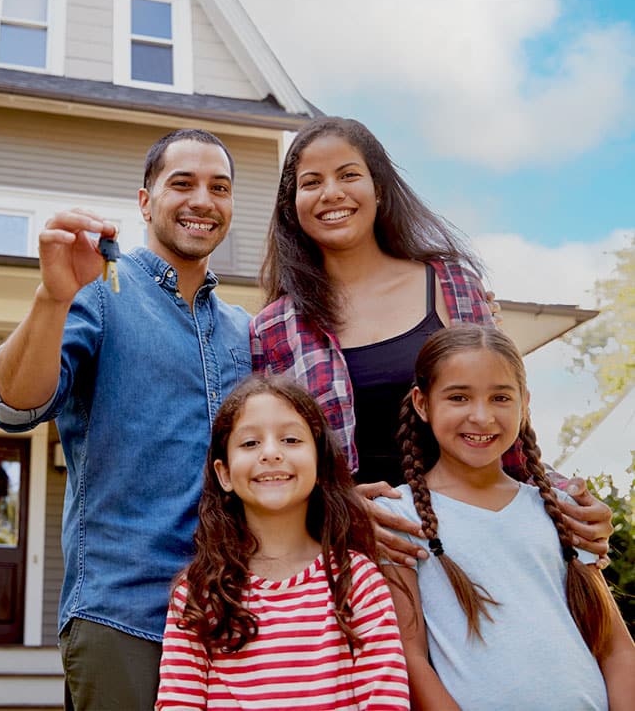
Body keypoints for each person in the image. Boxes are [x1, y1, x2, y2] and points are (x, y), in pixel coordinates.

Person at [250, 115, 613, 565]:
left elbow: (505, 425)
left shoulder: (454, 284)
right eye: (311, 182)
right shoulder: (274, 328)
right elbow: (271, 462)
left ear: (378, 189)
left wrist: (567, 502)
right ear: (292, 204)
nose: (331, 193)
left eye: (348, 175)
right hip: (355, 559)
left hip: (473, 544)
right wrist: (337, 510)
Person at [0, 129, 252, 710]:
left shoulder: (242, 329)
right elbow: (15, 405)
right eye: (181, 183)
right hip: (125, 616)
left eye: (220, 187)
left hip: (235, 617)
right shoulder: (100, 293)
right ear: (145, 201)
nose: (202, 200)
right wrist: (52, 298)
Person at [375, 324, 635, 710]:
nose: (481, 417)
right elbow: (410, 660)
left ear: (524, 404)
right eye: (459, 397)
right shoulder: (399, 516)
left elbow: (616, 648)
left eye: (500, 397)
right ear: (422, 403)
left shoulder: (559, 510)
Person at [155, 374, 410, 709]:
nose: (271, 453)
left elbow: (385, 701)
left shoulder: (357, 580)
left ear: (319, 464)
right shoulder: (199, 591)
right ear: (225, 473)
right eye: (250, 444)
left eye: (290, 440)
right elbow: (179, 703)